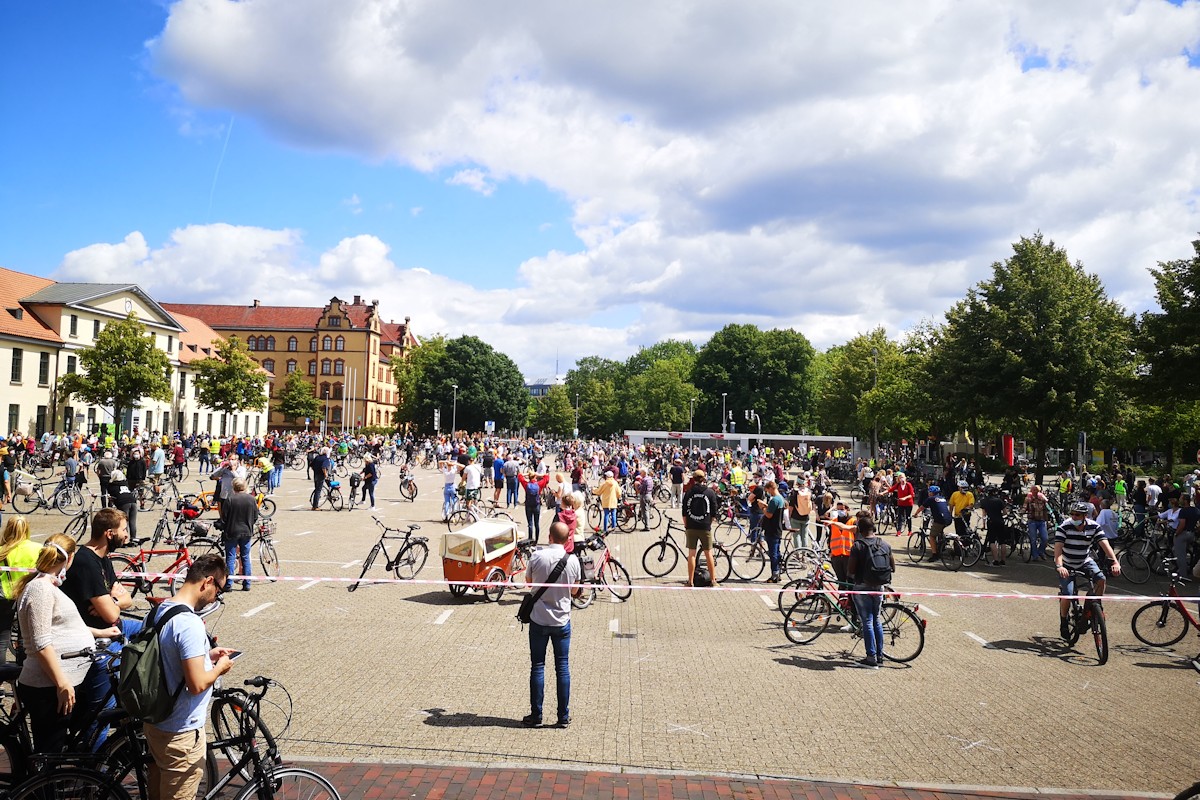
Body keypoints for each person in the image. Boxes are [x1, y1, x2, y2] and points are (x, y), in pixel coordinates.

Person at [14, 534, 120, 753]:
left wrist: (100, 632)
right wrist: (62, 683)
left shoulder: (47, 586)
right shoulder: (41, 589)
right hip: (48, 685)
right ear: (70, 558)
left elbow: (62, 625)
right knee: (49, 752)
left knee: (60, 743)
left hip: (58, 682)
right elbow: (41, 642)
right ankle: (41, 787)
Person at [143, 554, 236, 800]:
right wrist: (220, 668)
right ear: (207, 582)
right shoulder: (190, 624)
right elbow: (196, 684)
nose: (217, 597)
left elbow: (166, 657)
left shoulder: (158, 612)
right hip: (180, 732)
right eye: (219, 589)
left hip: (155, 722)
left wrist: (207, 654)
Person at [522, 521, 581, 729]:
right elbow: (575, 592)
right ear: (567, 540)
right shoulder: (572, 561)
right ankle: (563, 716)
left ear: (550, 537)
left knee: (538, 666)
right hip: (562, 621)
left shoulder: (537, 556)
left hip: (539, 619)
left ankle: (536, 714)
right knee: (562, 668)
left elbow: (528, 582)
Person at [1054, 501, 1121, 640]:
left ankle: (1097, 606)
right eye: (1071, 514)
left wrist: (1114, 561)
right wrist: (1060, 566)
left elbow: (1104, 544)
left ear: (1085, 516)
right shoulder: (1064, 527)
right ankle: (1063, 622)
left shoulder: (1094, 526)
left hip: (1084, 560)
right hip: (1067, 563)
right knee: (1067, 593)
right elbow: (1058, 551)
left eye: (1077, 515)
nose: (1073, 517)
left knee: (1101, 579)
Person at [845, 518, 894, 668]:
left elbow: (851, 570)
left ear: (859, 530)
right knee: (877, 620)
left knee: (867, 621)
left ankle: (870, 657)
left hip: (862, 587)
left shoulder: (858, 545)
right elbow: (893, 566)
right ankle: (880, 655)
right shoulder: (885, 544)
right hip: (879, 587)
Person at [0, 516, 42, 644]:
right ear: (26, 529)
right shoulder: (37, 548)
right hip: (28, 594)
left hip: (5, 595)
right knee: (26, 635)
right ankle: (23, 663)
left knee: (2, 636)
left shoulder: (2, 550)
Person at [681, 470, 721, 588]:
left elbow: (684, 512)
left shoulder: (689, 492)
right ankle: (713, 580)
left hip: (691, 525)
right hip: (705, 526)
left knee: (691, 553)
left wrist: (686, 525)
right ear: (704, 479)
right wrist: (709, 524)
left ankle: (690, 581)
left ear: (693, 479)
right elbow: (714, 512)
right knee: (708, 553)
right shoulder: (710, 493)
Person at [220, 478, 258, 592]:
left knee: (230, 558)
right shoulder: (251, 499)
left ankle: (229, 584)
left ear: (233, 487)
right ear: (245, 487)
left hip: (232, 531)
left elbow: (224, 517)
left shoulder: (230, 499)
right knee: (245, 557)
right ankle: (247, 583)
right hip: (246, 531)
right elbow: (255, 516)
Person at [755, 480, 786, 582]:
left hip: (772, 529)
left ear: (771, 488)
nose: (768, 493)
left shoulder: (774, 500)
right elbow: (774, 510)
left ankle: (774, 574)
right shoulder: (780, 498)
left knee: (773, 554)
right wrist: (766, 505)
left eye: (768, 490)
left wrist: (762, 507)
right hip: (778, 529)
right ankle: (778, 572)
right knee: (776, 552)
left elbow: (769, 514)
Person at [913, 485, 953, 562]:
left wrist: (915, 514)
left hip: (940, 520)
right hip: (948, 519)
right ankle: (942, 543)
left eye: (929, 491)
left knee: (932, 536)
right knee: (939, 530)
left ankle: (934, 555)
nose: (928, 493)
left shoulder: (930, 499)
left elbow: (922, 507)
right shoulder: (942, 498)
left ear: (932, 493)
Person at [979, 487, 1008, 566]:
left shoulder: (984, 501)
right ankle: (1003, 560)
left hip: (991, 521)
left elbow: (984, 515)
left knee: (992, 541)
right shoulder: (999, 501)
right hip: (1000, 521)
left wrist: (984, 524)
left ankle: (995, 560)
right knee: (1002, 541)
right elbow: (1005, 512)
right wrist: (999, 515)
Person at [519, 470, 550, 543]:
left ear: (529, 477)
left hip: (528, 505)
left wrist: (526, 474)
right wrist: (538, 474)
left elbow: (519, 476)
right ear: (535, 477)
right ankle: (536, 540)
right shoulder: (539, 484)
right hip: (536, 505)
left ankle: (530, 538)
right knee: (537, 523)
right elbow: (547, 477)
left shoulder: (526, 485)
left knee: (530, 523)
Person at [1173, 493, 1198, 580]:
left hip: (1183, 534)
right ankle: (1185, 568)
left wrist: (1176, 533)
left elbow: (1182, 524)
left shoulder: (1183, 511)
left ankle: (1183, 575)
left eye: (1181, 498)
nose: (1179, 500)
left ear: (1185, 501)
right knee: (1183, 551)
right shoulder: (1196, 510)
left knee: (1181, 556)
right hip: (1192, 534)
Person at [1023, 485, 1051, 561]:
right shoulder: (1028, 498)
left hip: (1042, 521)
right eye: (1034, 490)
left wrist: (1047, 520)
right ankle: (1035, 555)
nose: (1036, 492)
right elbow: (1024, 508)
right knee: (1033, 539)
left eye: (1037, 491)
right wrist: (1021, 513)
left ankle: (1040, 551)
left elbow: (1046, 510)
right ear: (1031, 491)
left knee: (1045, 539)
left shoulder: (1042, 498)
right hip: (1032, 521)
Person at [593, 471, 621, 535]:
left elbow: (599, 491)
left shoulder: (605, 483)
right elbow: (619, 492)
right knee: (613, 514)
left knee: (606, 515)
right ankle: (613, 528)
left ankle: (605, 529)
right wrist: (617, 496)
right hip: (613, 501)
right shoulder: (615, 483)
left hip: (606, 501)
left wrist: (594, 490)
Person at [788, 476, 812, 550]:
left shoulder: (794, 492)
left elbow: (791, 507)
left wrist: (789, 516)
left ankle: (797, 553)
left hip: (795, 516)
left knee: (796, 536)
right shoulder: (808, 491)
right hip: (806, 516)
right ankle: (804, 554)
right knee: (804, 536)